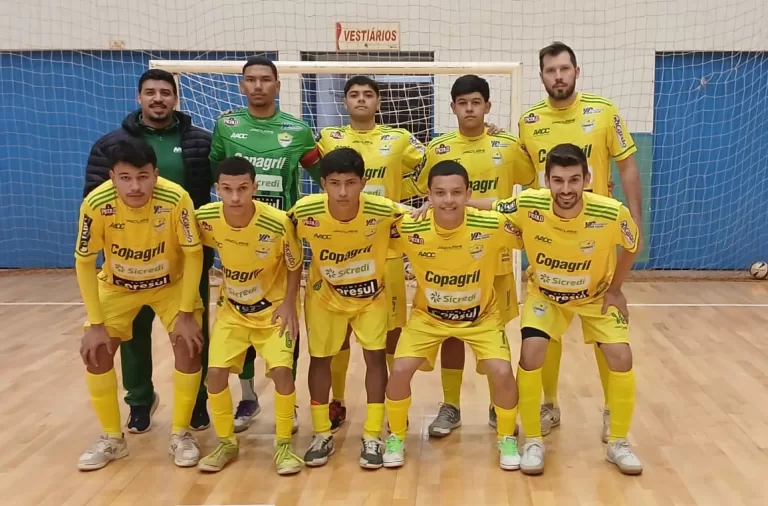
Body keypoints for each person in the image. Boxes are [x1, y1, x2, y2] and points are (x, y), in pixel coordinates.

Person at [480, 143, 642, 475]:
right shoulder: (529, 203)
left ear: (588, 179)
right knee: (532, 351)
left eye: (573, 180)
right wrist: (443, 203)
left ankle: (619, 442)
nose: (565, 189)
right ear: (546, 180)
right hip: (546, 296)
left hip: (594, 296)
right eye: (558, 181)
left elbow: (632, 245)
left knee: (621, 356)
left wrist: (616, 290)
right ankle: (534, 440)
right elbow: (491, 205)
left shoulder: (611, 212)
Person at [517, 42, 643, 441]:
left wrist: (637, 221)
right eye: (550, 70)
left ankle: (611, 411)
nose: (558, 76)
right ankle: (548, 406)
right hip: (550, 239)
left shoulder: (604, 112)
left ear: (577, 71)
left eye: (564, 69)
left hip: (597, 238)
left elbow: (628, 168)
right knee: (543, 332)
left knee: (607, 336)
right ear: (541, 77)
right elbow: (520, 175)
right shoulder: (528, 121)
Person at [82, 69, 213, 433]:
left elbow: (205, 194)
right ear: (139, 97)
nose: (158, 98)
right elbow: (95, 200)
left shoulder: (199, 141)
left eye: (165, 92)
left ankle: (196, 404)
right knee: (131, 337)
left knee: (192, 334)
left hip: (183, 257)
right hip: (127, 259)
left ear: (175, 98)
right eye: (151, 92)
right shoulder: (111, 144)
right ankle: (139, 401)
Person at [410, 75, 535, 435]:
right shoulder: (437, 149)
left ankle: (499, 406)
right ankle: (451, 406)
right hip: (448, 259)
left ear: (487, 106)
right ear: (452, 108)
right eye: (462, 103)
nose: (469, 108)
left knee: (493, 334)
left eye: (476, 102)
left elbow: (527, 184)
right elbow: (423, 192)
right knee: (450, 334)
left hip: (493, 259)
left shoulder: (508, 146)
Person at [75, 137, 205, 470]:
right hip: (118, 287)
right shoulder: (96, 204)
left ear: (156, 174)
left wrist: (188, 313)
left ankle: (181, 433)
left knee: (189, 346)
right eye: (126, 177)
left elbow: (193, 254)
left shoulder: (176, 198)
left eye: (143, 176)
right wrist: (96, 323)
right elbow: (85, 262)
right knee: (95, 352)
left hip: (170, 285)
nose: (135, 186)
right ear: (112, 176)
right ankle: (112, 439)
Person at [383, 160, 522, 470]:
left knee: (502, 372)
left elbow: (530, 224)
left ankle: (507, 438)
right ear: (429, 195)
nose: (449, 200)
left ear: (468, 194)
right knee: (401, 369)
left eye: (457, 193)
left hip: (481, 317)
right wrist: (404, 209)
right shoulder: (411, 226)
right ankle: (396, 436)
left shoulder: (490, 224)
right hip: (428, 318)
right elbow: (372, 211)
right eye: (440, 193)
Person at [209, 55, 320, 433]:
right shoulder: (226, 126)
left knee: (283, 324)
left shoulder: (299, 130)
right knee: (240, 317)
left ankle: (290, 409)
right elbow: (216, 172)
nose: (258, 86)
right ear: (242, 85)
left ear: (277, 85)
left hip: (282, 237)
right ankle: (247, 397)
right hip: (239, 237)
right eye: (251, 80)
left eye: (265, 80)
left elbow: (323, 175)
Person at [315, 75, 427, 431]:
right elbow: (309, 167)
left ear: (379, 102)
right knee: (339, 333)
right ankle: (337, 400)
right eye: (353, 95)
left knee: (390, 332)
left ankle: (394, 398)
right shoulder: (329, 139)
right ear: (345, 102)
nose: (361, 100)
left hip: (386, 252)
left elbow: (430, 166)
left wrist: (404, 192)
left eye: (368, 95)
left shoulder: (398, 140)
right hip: (340, 249)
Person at [287, 147, 405, 469]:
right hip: (325, 296)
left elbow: (423, 222)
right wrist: (284, 301)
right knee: (320, 359)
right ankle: (321, 432)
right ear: (322, 183)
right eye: (335, 183)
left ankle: (372, 434)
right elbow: (285, 247)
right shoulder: (304, 212)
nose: (342, 192)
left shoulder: (385, 211)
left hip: (371, 297)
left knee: (375, 358)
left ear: (363, 183)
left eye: (350, 183)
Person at [195, 157, 304, 475]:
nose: (235, 197)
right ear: (217, 189)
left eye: (243, 188)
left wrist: (288, 303)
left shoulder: (278, 222)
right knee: (214, 375)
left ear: (254, 187)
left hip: (272, 314)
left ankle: (283, 444)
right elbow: (187, 243)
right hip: (232, 313)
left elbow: (295, 264)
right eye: (227, 189)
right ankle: (226, 442)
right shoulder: (206, 218)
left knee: (283, 373)